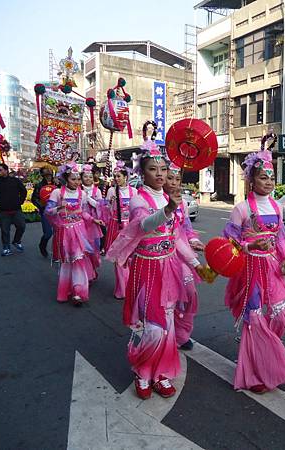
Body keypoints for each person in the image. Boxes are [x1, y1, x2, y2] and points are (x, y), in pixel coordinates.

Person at [107, 143, 205, 400]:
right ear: (143, 173)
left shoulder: (170, 199)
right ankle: (142, 371)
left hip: (170, 265)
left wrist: (196, 264)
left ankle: (161, 373)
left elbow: (177, 238)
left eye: (163, 169)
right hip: (147, 268)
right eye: (153, 169)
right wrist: (169, 210)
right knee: (153, 327)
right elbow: (143, 226)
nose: (160, 174)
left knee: (168, 324)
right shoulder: (141, 199)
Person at [222, 137, 285, 394]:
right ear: (252, 180)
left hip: (273, 269)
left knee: (280, 317)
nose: (269, 182)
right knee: (254, 320)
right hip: (250, 270)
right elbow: (228, 243)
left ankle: (267, 360)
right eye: (263, 177)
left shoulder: (277, 207)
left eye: (271, 177)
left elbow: (280, 237)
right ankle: (256, 372)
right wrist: (250, 246)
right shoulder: (241, 209)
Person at [44, 162, 104, 306]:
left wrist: (93, 219)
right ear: (66, 179)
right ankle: (64, 291)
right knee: (66, 262)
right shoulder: (57, 193)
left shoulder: (82, 194)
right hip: (64, 232)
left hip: (79, 231)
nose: (77, 182)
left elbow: (82, 212)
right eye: (73, 179)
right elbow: (48, 211)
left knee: (79, 260)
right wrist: (59, 207)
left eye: (78, 179)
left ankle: (78, 292)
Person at [165, 162, 205, 350]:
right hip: (164, 257)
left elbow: (187, 229)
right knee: (168, 299)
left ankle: (182, 331)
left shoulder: (181, 202)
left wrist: (193, 241)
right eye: (170, 178)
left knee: (189, 294)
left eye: (177, 179)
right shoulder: (158, 201)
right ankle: (169, 334)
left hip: (183, 257)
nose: (174, 182)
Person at [104, 161, 135, 299]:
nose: (116, 179)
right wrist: (110, 203)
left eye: (119, 176)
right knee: (118, 258)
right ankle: (122, 288)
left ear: (126, 177)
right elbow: (106, 210)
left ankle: (130, 286)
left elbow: (137, 211)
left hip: (130, 226)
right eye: (115, 176)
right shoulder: (111, 190)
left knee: (130, 258)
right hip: (115, 226)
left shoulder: (133, 191)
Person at [0, 163, 27, 256]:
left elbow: (23, 191)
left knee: (22, 226)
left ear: (6, 170)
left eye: (0, 170)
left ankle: (17, 241)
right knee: (5, 231)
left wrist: (20, 201)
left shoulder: (15, 181)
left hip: (16, 210)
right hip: (3, 211)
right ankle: (6, 248)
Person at [81, 164, 105, 279]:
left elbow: (100, 206)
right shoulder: (78, 191)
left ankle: (93, 268)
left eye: (90, 177)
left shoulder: (97, 191)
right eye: (85, 176)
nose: (88, 179)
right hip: (81, 224)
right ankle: (87, 274)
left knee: (94, 250)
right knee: (83, 250)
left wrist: (89, 199)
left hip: (94, 225)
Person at [31, 167, 58, 257]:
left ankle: (57, 253)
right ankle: (42, 245)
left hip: (58, 212)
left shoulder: (58, 183)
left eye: (49, 174)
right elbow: (34, 198)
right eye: (46, 175)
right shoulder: (39, 185)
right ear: (42, 175)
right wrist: (42, 206)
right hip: (46, 212)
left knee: (58, 233)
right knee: (48, 233)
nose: (48, 177)